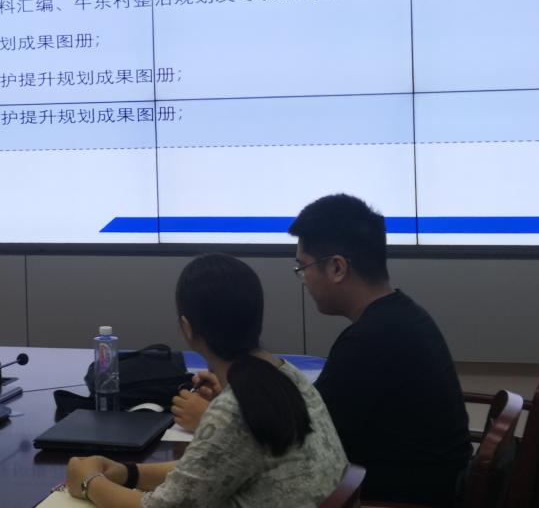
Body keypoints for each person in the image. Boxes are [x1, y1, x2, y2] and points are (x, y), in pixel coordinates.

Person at [66, 253, 346, 507]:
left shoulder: (233, 412)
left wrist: (90, 483)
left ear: (187, 328)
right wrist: (128, 473)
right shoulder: (288, 374)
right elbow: (205, 472)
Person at [287, 194, 470, 505]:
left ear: (337, 268)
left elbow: (301, 435)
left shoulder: (368, 341)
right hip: (434, 486)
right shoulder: (403, 315)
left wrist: (219, 415)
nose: (303, 280)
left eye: (303, 267)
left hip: (397, 500)